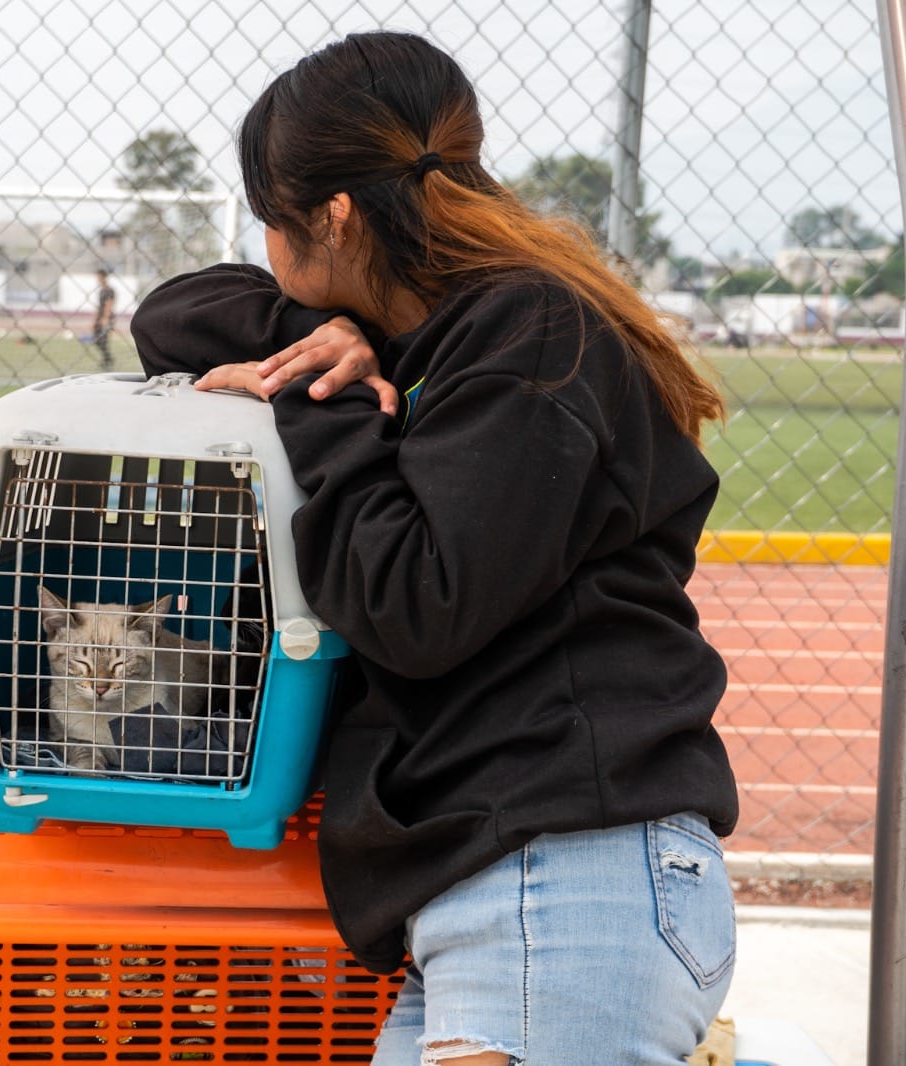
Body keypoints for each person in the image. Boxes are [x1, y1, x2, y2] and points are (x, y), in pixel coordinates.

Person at [130, 31, 738, 1065]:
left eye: (272, 224)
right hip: (499, 890)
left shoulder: (530, 333)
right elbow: (173, 314)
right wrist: (321, 342)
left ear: (332, 218)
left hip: (562, 872)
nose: (267, 248)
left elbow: (418, 599)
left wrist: (313, 400)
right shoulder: (444, 331)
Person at [91, 267, 116, 368]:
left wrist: (105, 318)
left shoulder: (109, 290)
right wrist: (95, 320)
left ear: (104, 277)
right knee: (97, 339)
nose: (98, 279)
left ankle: (107, 360)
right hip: (100, 318)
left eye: (99, 277)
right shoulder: (101, 291)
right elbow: (100, 306)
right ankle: (108, 358)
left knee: (103, 339)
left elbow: (109, 304)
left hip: (107, 318)